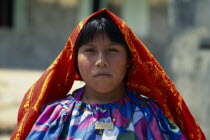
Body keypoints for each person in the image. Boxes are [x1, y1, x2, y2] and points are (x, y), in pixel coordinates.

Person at [11, 9, 205, 140]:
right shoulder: (56, 117)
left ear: (130, 60)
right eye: (90, 51)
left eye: (112, 50)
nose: (101, 60)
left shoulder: (151, 116)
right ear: (73, 60)